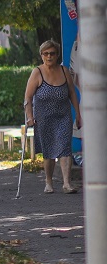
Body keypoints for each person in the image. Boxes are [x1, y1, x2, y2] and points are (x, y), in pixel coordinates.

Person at [24, 40, 82, 194]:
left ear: (57, 55)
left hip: (63, 116)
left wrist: (78, 114)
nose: (49, 56)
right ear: (41, 55)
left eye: (52, 53)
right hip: (43, 118)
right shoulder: (37, 72)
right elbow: (28, 98)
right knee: (48, 151)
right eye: (45, 53)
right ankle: (48, 182)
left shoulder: (64, 71)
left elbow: (72, 94)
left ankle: (66, 183)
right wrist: (30, 116)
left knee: (65, 149)